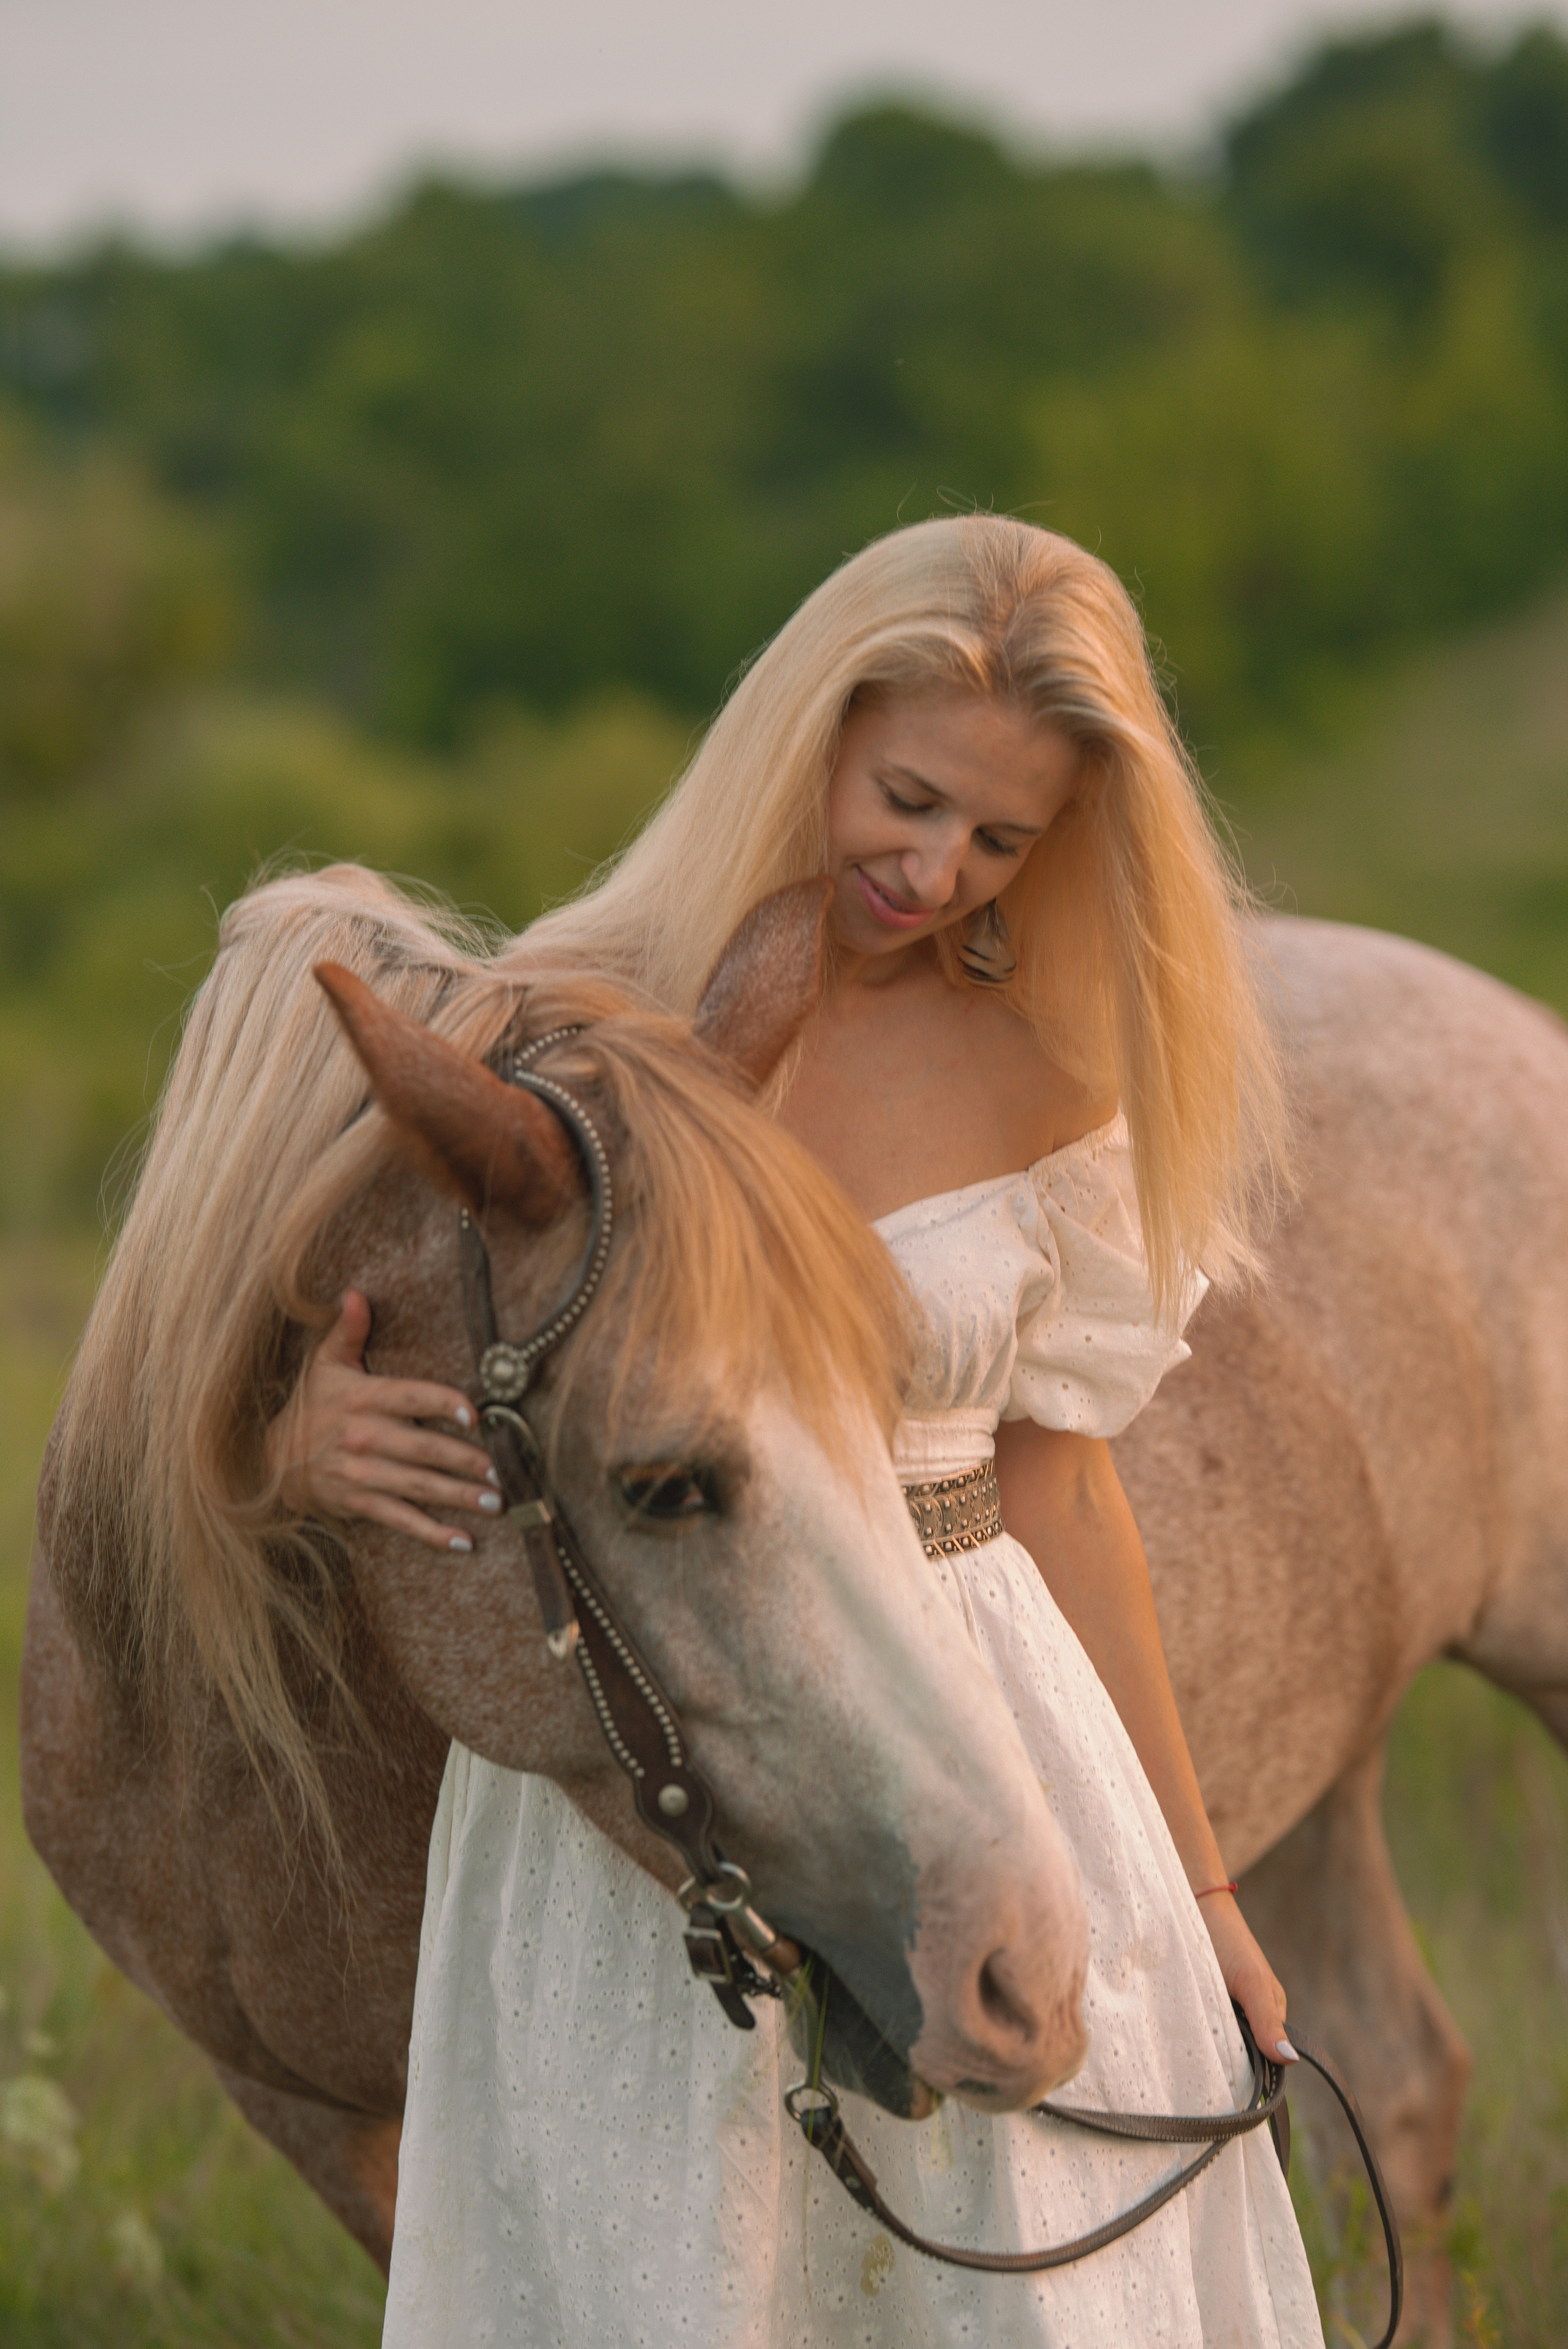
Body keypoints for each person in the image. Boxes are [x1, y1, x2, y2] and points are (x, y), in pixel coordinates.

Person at [277, 516, 1323, 2343]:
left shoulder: (1051, 1080)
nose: (935, 868)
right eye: (907, 797)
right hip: (657, 1756)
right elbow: (306, 1345)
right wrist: (300, 1441)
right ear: (813, 731)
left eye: (1004, 837)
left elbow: (1060, 1491)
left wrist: (1206, 1885)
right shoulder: (564, 1020)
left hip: (975, 1703)